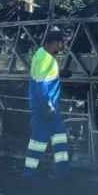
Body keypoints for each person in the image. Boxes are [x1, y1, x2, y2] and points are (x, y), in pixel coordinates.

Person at [24, 28, 70, 179]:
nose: (62, 47)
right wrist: (48, 105)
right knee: (40, 140)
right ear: (55, 43)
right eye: (61, 43)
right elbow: (41, 84)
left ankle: (60, 172)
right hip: (45, 108)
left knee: (57, 138)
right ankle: (30, 174)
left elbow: (42, 76)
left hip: (43, 107)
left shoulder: (41, 54)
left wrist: (59, 73)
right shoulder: (46, 59)